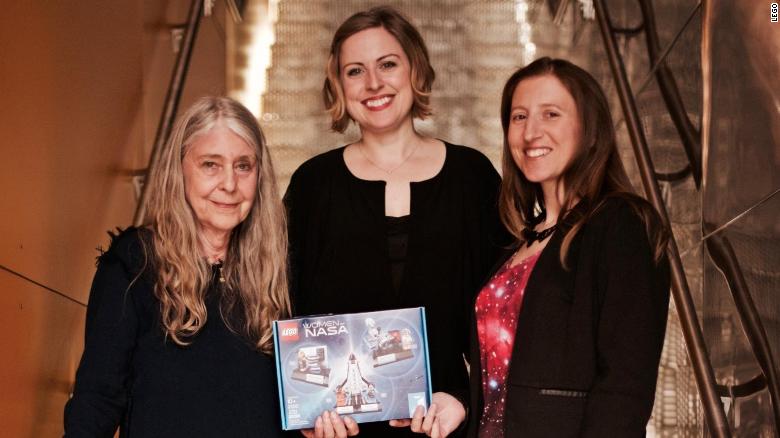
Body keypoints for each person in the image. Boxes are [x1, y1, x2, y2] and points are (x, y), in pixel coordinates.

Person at [285, 6, 505, 438]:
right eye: (354, 71)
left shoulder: (472, 177)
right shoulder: (313, 185)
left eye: (387, 64)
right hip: (338, 431)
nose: (373, 84)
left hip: (446, 424)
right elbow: (284, 306)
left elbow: (503, 315)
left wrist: (465, 399)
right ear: (338, 85)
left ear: (415, 69)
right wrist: (305, 412)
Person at [467, 57, 671, 437]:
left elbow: (625, 387)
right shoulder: (519, 241)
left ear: (591, 131)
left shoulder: (621, 224)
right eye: (520, 117)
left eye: (551, 114)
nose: (531, 133)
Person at [64, 97, 290, 437]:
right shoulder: (134, 264)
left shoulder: (279, 268)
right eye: (210, 165)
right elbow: (98, 398)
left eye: (243, 166)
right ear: (180, 168)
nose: (229, 184)